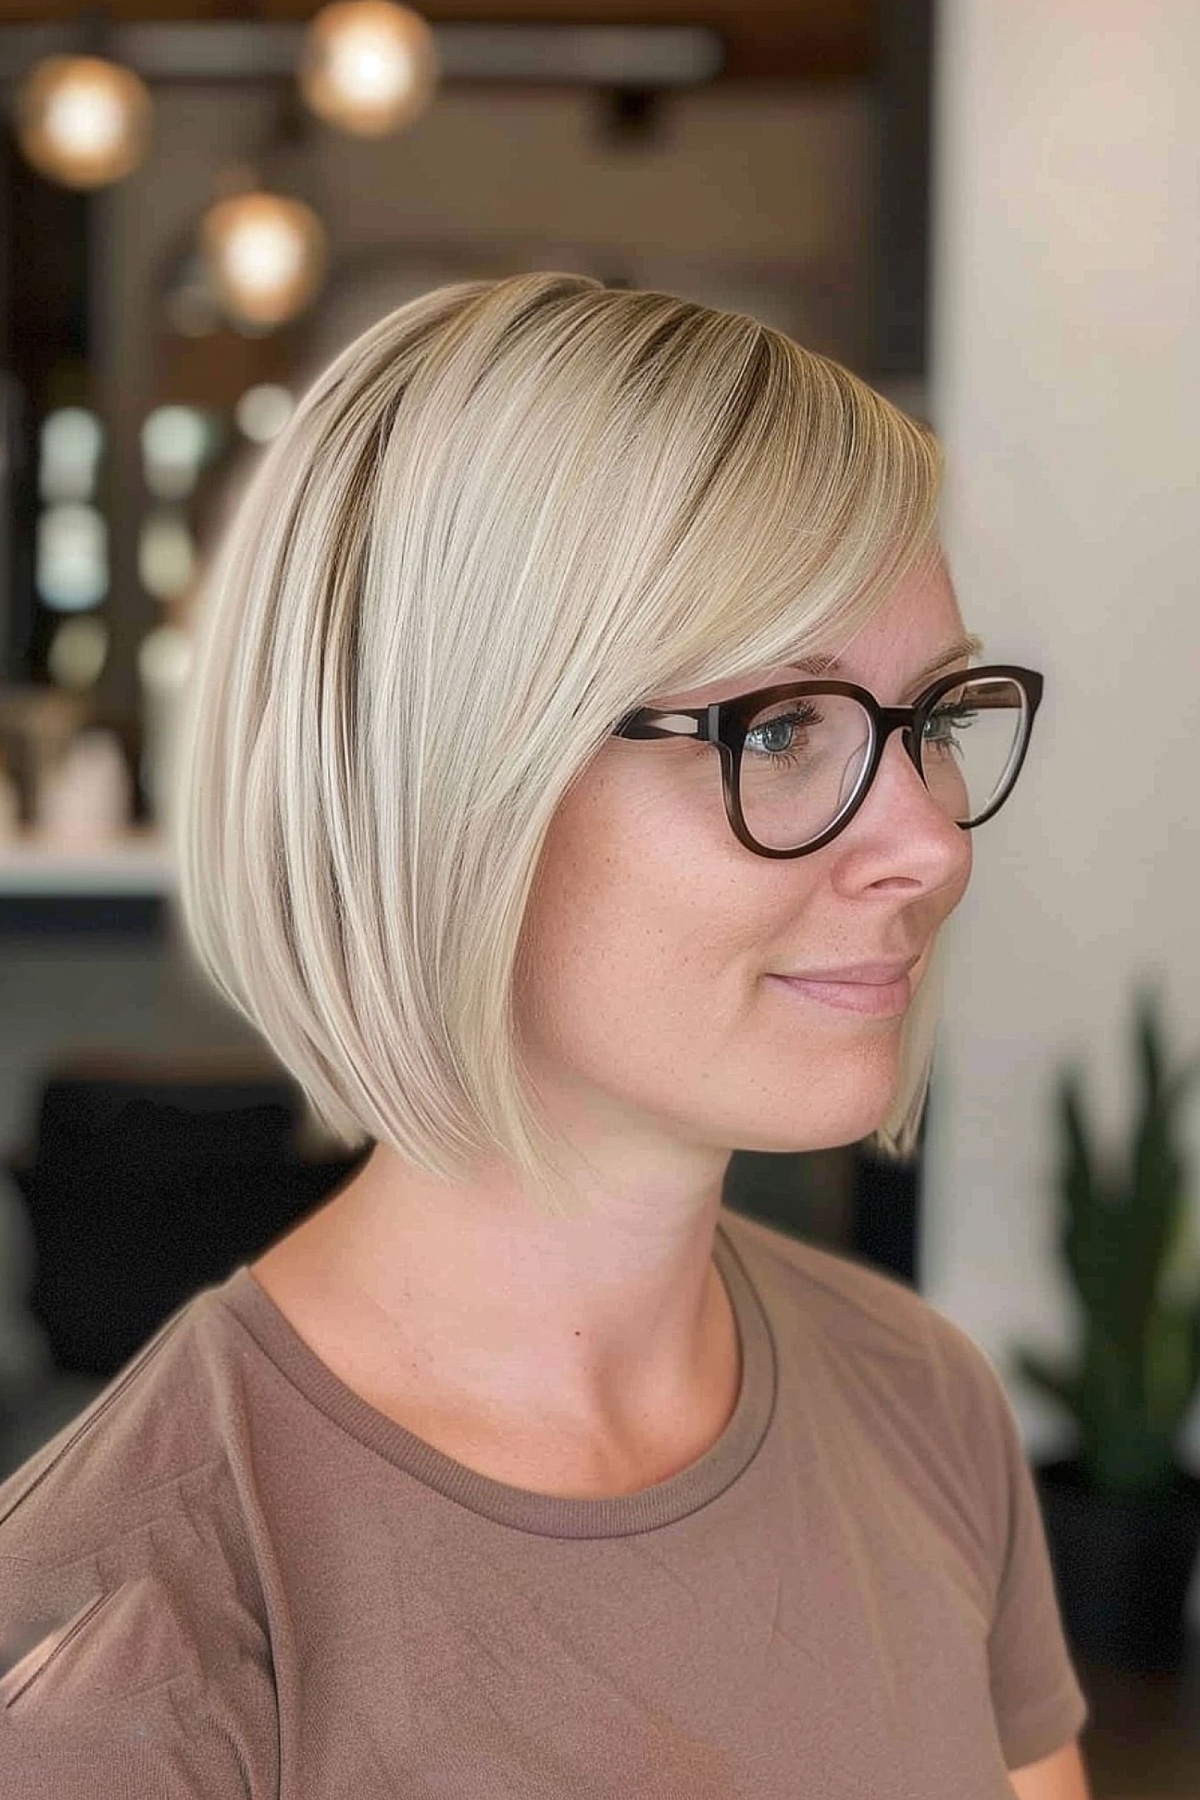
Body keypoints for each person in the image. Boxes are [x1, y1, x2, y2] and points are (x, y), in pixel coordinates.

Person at [0, 273, 1090, 1797]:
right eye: (783, 727)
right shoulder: (132, 1641)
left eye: (940, 722)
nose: (930, 844)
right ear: (455, 781)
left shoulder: (922, 1400)